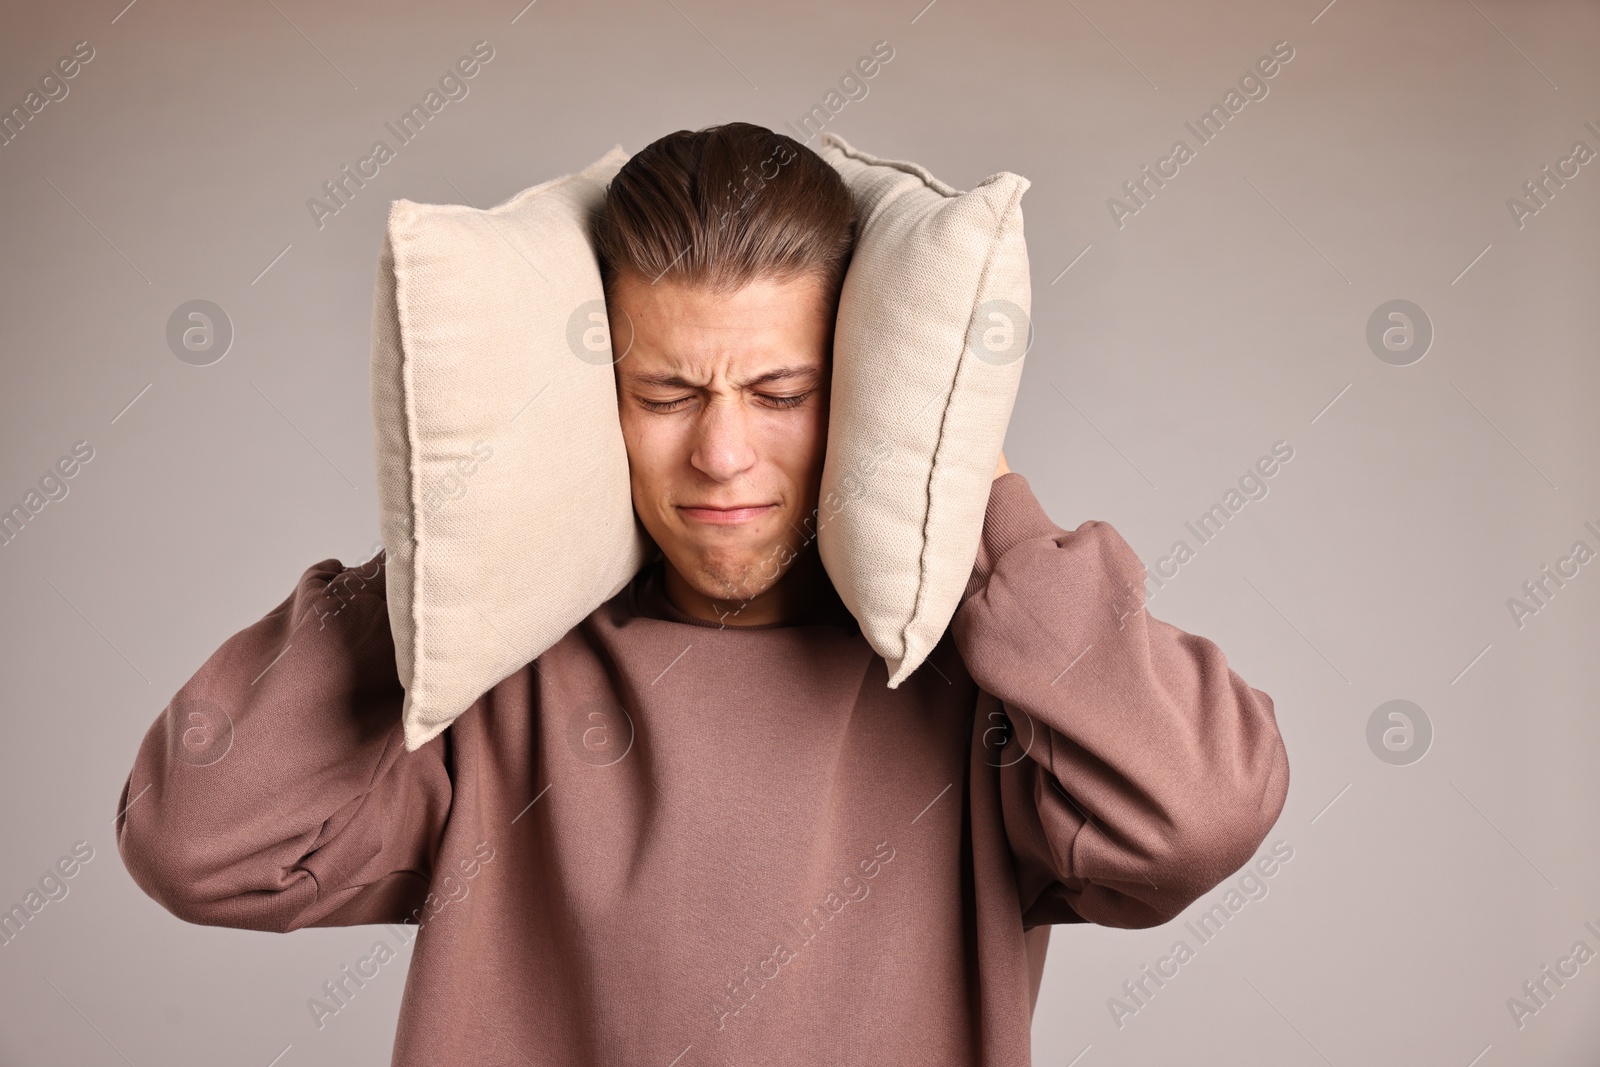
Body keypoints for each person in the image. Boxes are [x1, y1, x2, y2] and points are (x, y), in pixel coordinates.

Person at [115, 122, 1289, 1067]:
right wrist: (453, 529)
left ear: (863, 389)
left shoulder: (976, 682)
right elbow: (198, 842)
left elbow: (1196, 814)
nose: (721, 454)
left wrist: (971, 483)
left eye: (783, 391)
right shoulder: (494, 682)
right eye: (665, 391)